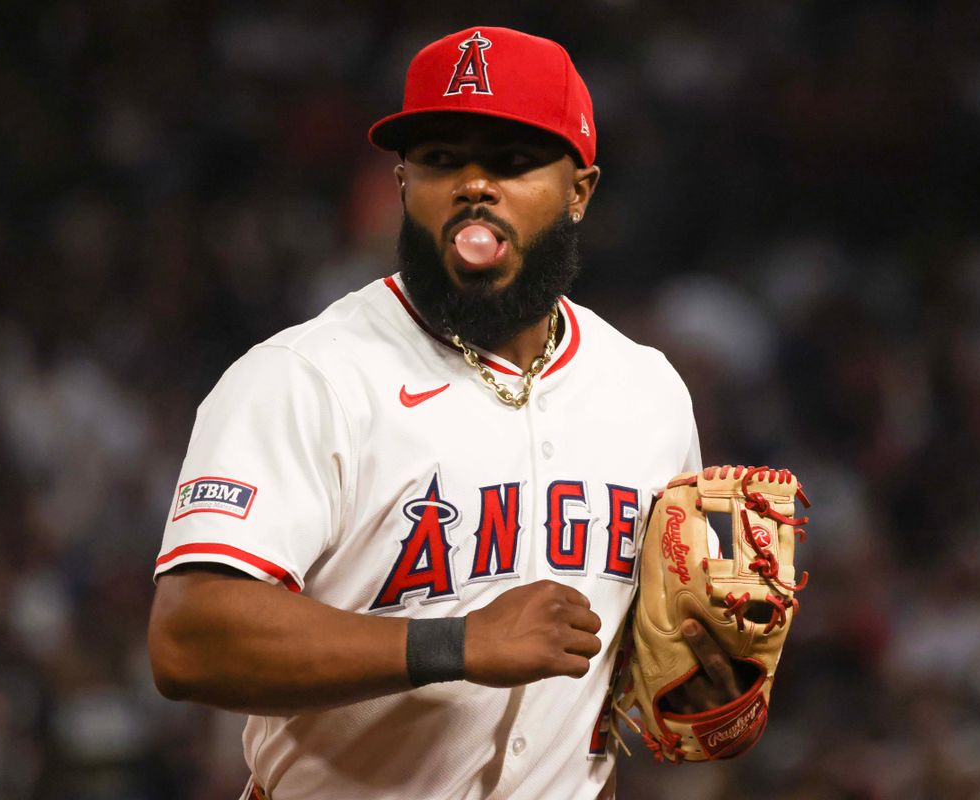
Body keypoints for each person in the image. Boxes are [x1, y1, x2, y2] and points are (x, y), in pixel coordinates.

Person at [148, 26, 751, 800]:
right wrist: (455, 643)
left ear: (580, 190)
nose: (474, 185)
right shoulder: (306, 378)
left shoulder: (648, 392)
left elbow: (629, 674)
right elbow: (188, 640)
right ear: (403, 183)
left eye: (510, 161)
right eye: (441, 160)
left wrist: (698, 683)